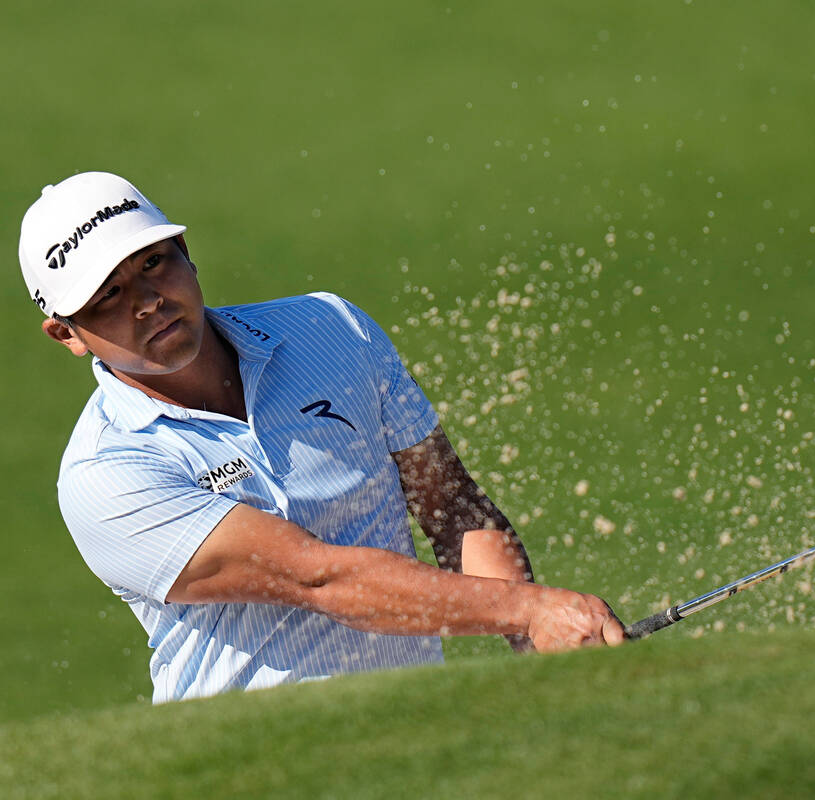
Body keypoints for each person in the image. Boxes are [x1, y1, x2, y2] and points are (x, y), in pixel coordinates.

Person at [18, 171, 625, 703]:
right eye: (109, 297)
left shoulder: (328, 329)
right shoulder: (109, 472)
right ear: (66, 335)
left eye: (154, 263)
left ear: (185, 250)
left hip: (411, 731)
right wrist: (534, 609)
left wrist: (533, 649)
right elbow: (319, 579)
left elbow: (449, 505)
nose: (149, 300)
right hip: (248, 764)